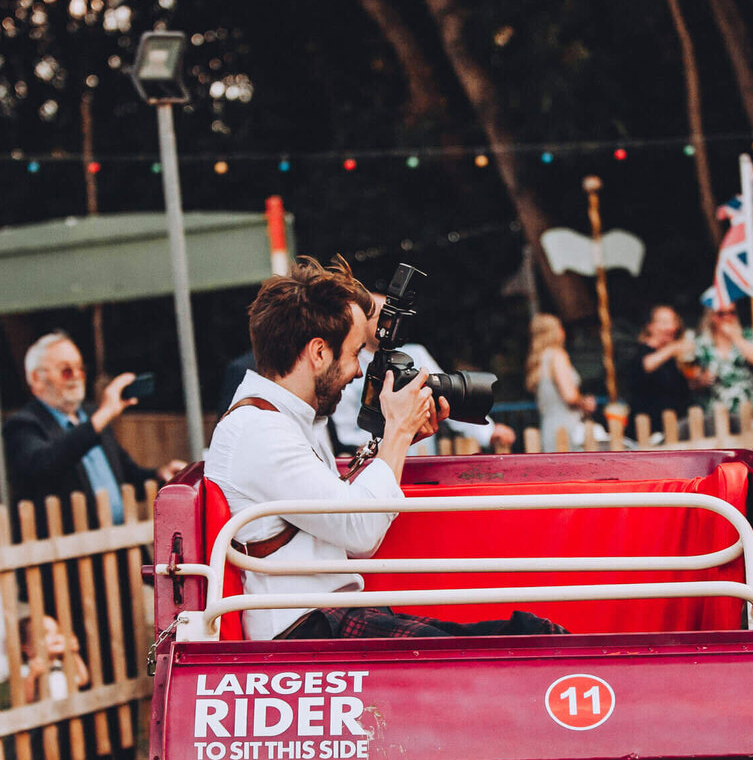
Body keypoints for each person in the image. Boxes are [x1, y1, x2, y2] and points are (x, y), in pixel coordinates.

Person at [205, 254, 565, 641]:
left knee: (524, 636)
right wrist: (395, 432)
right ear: (319, 352)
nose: (359, 371)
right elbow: (361, 534)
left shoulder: (287, 420)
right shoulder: (260, 430)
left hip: (326, 617)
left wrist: (402, 437)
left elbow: (351, 525)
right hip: (305, 630)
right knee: (514, 644)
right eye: (355, 352)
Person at [2, 331, 185, 531]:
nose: (76, 377)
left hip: (118, 545)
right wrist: (104, 414)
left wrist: (160, 475)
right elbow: (46, 463)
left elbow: (126, 476)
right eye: (66, 371)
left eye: (80, 369)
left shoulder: (92, 415)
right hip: (72, 554)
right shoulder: (22, 424)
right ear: (37, 379)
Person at [332, 276, 515, 456]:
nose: (389, 321)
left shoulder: (416, 354)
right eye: (381, 315)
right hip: (375, 466)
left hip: (422, 461)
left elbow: (449, 398)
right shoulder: (350, 365)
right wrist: (397, 430)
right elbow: (347, 434)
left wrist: (489, 433)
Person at [691, 304, 753, 425]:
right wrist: (702, 380)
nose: (727, 317)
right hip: (715, 416)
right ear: (711, 317)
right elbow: (690, 381)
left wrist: (736, 338)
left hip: (749, 413)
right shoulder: (700, 344)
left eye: (732, 312)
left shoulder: (749, 336)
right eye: (721, 314)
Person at [525, 313, 597, 448]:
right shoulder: (557, 355)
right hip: (566, 427)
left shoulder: (538, 360)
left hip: (549, 426)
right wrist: (584, 402)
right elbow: (569, 396)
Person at [625, 305, 694, 442]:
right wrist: (673, 348)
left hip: (674, 429)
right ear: (650, 326)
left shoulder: (674, 357)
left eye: (673, 322)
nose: (671, 327)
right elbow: (645, 365)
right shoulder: (639, 350)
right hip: (646, 432)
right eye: (664, 322)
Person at [19, 613, 90, 702]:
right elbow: (25, 699)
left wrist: (74, 654)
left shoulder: (60, 664)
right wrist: (32, 676)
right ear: (27, 648)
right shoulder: (25, 670)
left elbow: (82, 679)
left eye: (57, 632)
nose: (55, 636)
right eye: (45, 633)